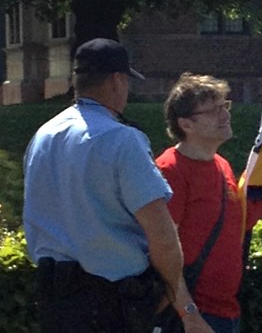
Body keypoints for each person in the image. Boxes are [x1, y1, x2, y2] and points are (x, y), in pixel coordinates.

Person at [22, 38, 211, 332]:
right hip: (111, 304)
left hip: (54, 302)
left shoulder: (43, 137)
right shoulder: (122, 140)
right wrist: (181, 302)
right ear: (117, 80)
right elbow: (161, 234)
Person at [155, 72, 262, 333]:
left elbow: (233, 227)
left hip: (224, 311)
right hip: (191, 315)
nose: (225, 114)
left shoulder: (222, 165)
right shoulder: (170, 170)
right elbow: (160, 246)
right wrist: (188, 314)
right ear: (186, 124)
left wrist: (260, 192)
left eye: (224, 105)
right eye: (213, 110)